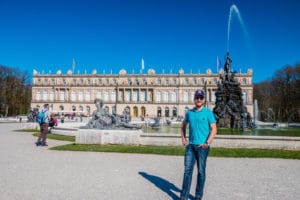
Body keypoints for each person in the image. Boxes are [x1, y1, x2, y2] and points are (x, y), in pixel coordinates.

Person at [180, 90, 217, 200]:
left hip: (202, 147)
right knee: (187, 172)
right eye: (197, 97)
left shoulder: (208, 113)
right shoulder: (189, 113)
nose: (199, 99)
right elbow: (183, 126)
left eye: (201, 97)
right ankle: (183, 196)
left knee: (201, 172)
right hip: (190, 146)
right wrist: (183, 138)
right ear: (194, 99)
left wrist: (207, 142)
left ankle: (198, 196)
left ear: (204, 99)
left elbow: (214, 129)